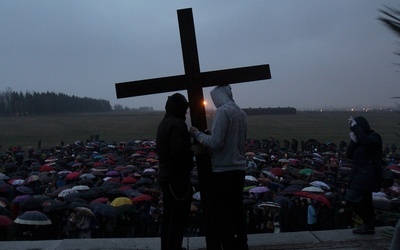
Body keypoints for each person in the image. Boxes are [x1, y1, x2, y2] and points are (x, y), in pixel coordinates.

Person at [190, 84, 248, 250]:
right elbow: (236, 141)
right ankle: (242, 244)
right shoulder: (241, 113)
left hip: (223, 170)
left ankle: (228, 245)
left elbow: (216, 143)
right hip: (239, 167)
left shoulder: (223, 112)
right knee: (237, 209)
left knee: (224, 213)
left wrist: (198, 134)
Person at [156, 93, 194, 250]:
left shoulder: (164, 123)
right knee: (177, 218)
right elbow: (179, 152)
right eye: (184, 109)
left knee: (168, 215)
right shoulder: (178, 125)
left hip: (166, 176)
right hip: (176, 178)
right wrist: (192, 152)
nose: (185, 113)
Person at [345, 116, 382, 234]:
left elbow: (367, 142)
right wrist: (353, 141)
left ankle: (369, 222)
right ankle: (369, 224)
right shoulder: (360, 140)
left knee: (351, 198)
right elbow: (349, 154)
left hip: (368, 174)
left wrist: (355, 128)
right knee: (366, 201)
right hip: (360, 173)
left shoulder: (374, 137)